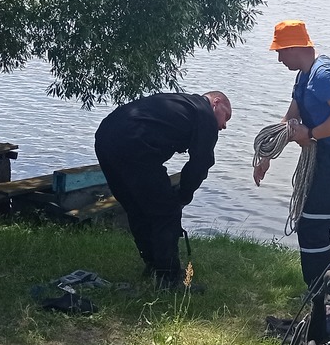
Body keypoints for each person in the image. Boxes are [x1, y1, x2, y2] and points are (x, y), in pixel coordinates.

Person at [253, 20, 330, 288]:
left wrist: (312, 134)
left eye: (280, 51)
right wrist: (268, 155)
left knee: (312, 226)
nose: (279, 58)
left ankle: (321, 296)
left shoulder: (324, 75)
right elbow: (292, 116)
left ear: (295, 48)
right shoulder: (305, 76)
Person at [95, 91, 231, 290]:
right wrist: (183, 197)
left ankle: (154, 266)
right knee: (166, 212)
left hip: (106, 136)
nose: (224, 125)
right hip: (134, 142)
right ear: (216, 103)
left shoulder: (181, 104)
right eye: (226, 116)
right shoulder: (205, 114)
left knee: (137, 208)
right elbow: (201, 163)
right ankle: (170, 279)